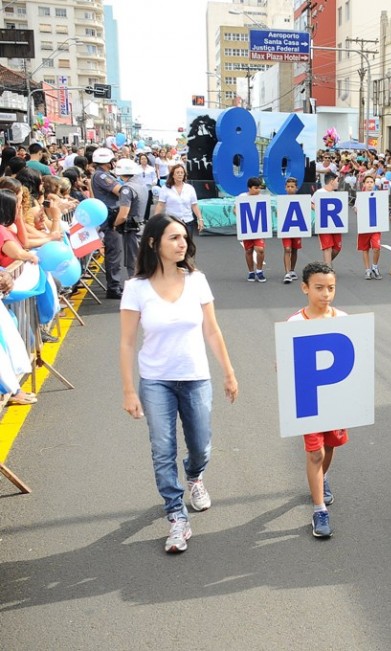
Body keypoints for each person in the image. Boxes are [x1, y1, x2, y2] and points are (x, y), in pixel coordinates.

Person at [119, 215, 238, 553]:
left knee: (200, 445)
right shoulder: (136, 288)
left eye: (184, 237)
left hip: (196, 376)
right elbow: (127, 342)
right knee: (162, 448)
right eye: (173, 237)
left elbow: (212, 330)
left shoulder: (197, 280)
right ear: (154, 243)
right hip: (156, 380)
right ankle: (176, 514)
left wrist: (228, 371)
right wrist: (129, 390)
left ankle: (195, 475)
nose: (182, 243)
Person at [286, 262, 349, 537]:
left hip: (335, 400)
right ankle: (319, 509)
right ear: (305, 288)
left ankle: (322, 479)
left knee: (330, 447)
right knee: (315, 451)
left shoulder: (343, 318)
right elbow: (287, 363)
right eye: (319, 288)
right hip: (309, 400)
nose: (326, 294)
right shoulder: (295, 323)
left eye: (331, 288)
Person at [91, 147, 125, 299]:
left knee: (115, 251)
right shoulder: (102, 176)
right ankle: (113, 287)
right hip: (110, 217)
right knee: (114, 252)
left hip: (110, 215)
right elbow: (120, 190)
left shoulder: (102, 175)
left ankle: (115, 284)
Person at [113, 158, 150, 284]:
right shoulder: (142, 185)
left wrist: (114, 224)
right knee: (142, 260)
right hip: (142, 226)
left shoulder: (127, 189)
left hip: (132, 229)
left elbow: (123, 214)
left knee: (132, 262)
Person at [155, 164, 203, 238]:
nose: (180, 175)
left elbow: (194, 205)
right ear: (173, 175)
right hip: (172, 222)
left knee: (188, 245)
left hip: (188, 221)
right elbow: (160, 204)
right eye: (177, 173)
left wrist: (200, 219)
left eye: (182, 172)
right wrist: (155, 220)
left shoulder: (190, 188)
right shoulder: (165, 188)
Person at [236, 177, 267, 282]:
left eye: (259, 188)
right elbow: (235, 209)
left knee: (260, 249)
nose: (258, 190)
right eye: (256, 188)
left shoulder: (262, 198)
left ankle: (259, 270)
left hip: (258, 228)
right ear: (249, 188)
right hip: (247, 228)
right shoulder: (242, 197)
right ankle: (251, 272)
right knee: (248, 250)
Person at [358, 175, 383, 279]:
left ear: (374, 184)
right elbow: (356, 209)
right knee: (365, 249)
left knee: (376, 248)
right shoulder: (360, 196)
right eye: (367, 182)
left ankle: (375, 267)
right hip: (364, 226)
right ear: (364, 184)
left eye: (371, 182)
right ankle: (367, 269)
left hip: (375, 226)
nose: (369, 184)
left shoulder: (379, 196)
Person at [280, 177, 303, 284]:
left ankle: (292, 270)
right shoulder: (281, 200)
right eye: (288, 186)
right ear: (285, 188)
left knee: (294, 249)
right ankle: (287, 273)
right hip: (286, 228)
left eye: (292, 187)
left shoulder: (301, 200)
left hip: (297, 227)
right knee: (287, 249)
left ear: (296, 188)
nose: (290, 189)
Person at [318, 171, 343, 265]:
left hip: (335, 224)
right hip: (324, 223)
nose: (338, 183)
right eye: (337, 181)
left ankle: (325, 264)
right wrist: (319, 210)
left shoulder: (336, 194)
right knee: (327, 247)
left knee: (337, 248)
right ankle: (328, 268)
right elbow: (311, 203)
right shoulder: (319, 192)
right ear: (332, 181)